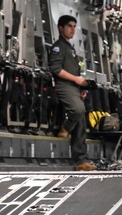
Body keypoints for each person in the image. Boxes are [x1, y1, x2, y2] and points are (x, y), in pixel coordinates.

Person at [49, 14, 96, 171]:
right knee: (78, 110)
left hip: (74, 87)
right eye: (69, 26)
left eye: (74, 26)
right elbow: (56, 69)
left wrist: (81, 87)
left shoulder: (70, 48)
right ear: (60, 28)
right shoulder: (58, 47)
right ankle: (65, 128)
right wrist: (76, 80)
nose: (72, 29)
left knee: (81, 123)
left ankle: (81, 160)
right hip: (64, 85)